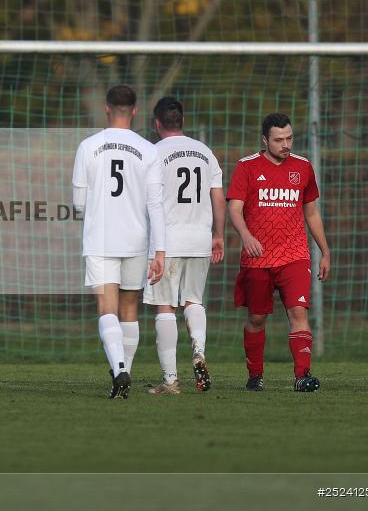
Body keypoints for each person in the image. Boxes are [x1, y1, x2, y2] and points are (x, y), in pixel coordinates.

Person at [71, 85, 165, 399]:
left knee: (106, 307)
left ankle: (119, 369)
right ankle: (123, 373)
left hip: (100, 238)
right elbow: (155, 204)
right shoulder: (148, 150)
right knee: (129, 307)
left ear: (106, 108)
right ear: (135, 110)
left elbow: (79, 203)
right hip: (136, 239)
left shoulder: (88, 146)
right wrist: (160, 250)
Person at [227, 113, 330, 392]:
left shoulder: (303, 167)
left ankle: (302, 376)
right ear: (265, 140)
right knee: (256, 318)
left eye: (289, 138)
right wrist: (246, 236)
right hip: (258, 258)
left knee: (298, 313)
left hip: (294, 255)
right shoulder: (246, 167)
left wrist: (325, 251)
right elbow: (234, 209)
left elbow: (311, 213)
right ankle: (255, 375)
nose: (286, 145)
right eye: (279, 140)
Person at [142, 97, 225, 395]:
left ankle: (170, 380)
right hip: (200, 238)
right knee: (194, 301)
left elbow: (148, 200)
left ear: (157, 123)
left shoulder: (153, 153)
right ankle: (198, 351)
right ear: (183, 122)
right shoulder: (205, 152)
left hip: (167, 241)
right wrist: (218, 234)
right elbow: (218, 197)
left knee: (165, 306)